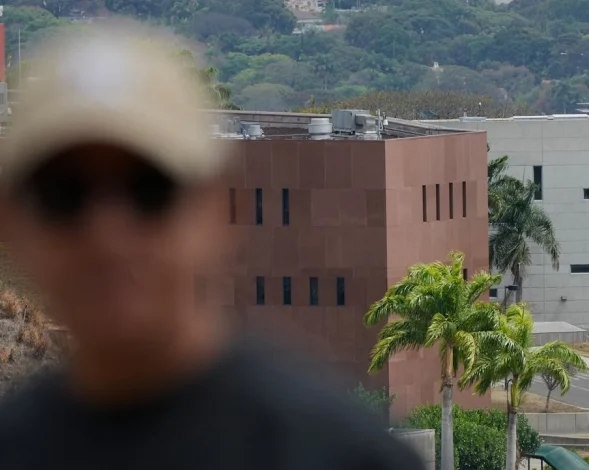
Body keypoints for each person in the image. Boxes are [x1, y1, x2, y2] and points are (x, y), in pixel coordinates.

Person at [0, 25, 423, 470]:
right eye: (64, 195)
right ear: (12, 223)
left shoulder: (341, 455)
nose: (107, 234)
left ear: (215, 209)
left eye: (150, 191)